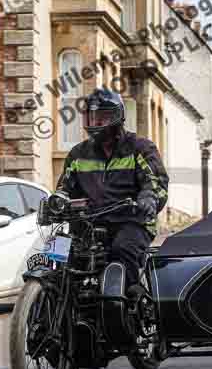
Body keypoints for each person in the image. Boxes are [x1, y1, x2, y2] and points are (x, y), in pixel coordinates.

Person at [55, 87, 169, 294]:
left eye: (101, 118)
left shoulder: (139, 148)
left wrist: (148, 198)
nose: (95, 124)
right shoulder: (78, 154)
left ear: (116, 117)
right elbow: (64, 187)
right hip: (90, 223)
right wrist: (57, 200)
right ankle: (55, 308)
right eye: (90, 118)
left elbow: (158, 184)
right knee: (58, 257)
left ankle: (130, 300)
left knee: (121, 251)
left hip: (132, 220)